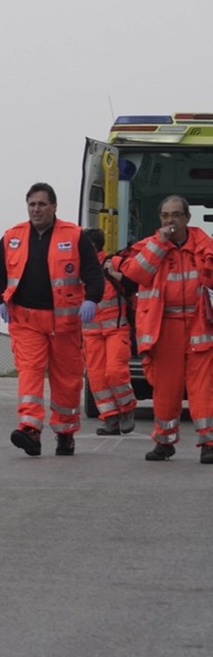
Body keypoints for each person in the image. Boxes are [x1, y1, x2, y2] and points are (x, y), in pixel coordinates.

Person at [0, 183, 103, 457]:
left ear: (54, 206)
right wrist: (0, 300)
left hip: (65, 324)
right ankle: (30, 429)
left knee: (68, 380)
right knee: (30, 372)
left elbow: (93, 273)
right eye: (32, 204)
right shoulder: (12, 236)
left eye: (41, 204)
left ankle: (65, 433)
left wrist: (91, 299)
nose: (36, 209)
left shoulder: (73, 236)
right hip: (26, 321)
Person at [116, 195, 213, 461]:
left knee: (203, 388)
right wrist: (160, 243)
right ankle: (165, 442)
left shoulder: (205, 245)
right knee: (166, 389)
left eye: (175, 215)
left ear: (187, 218)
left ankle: (209, 443)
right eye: (165, 216)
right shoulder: (151, 246)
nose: (170, 221)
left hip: (198, 325)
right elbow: (135, 274)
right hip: (165, 327)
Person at [81, 228, 137, 435]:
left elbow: (133, 284)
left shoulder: (111, 263)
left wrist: (114, 275)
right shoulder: (78, 269)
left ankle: (127, 409)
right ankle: (110, 418)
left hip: (116, 329)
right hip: (91, 333)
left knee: (115, 372)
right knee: (96, 378)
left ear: (92, 247)